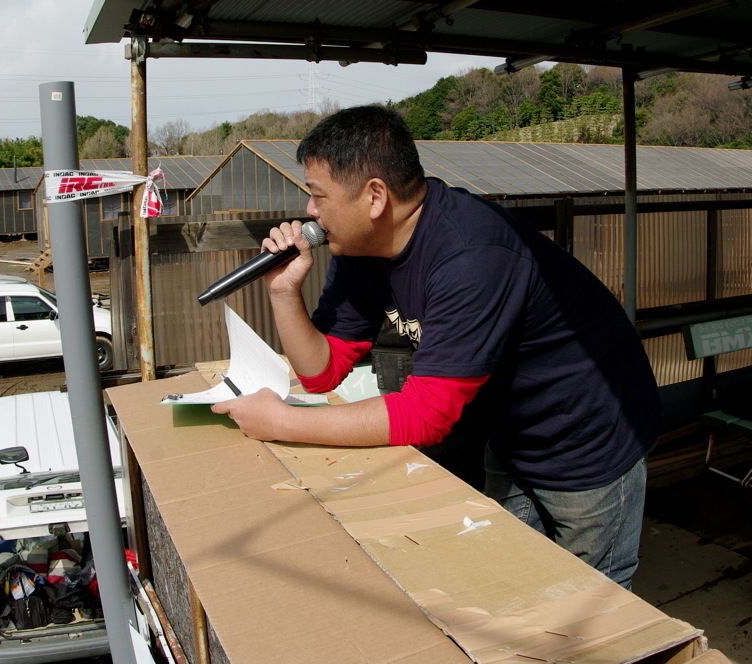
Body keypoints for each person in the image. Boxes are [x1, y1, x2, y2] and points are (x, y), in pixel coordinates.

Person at [211, 105, 662, 590]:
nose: (311, 213)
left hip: (588, 432)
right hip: (511, 430)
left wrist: (282, 421)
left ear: (375, 197)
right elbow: (322, 373)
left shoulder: (470, 253)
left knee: (593, 602)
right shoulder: (360, 249)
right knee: (518, 582)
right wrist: (283, 292)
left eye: (318, 196)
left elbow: (427, 416)